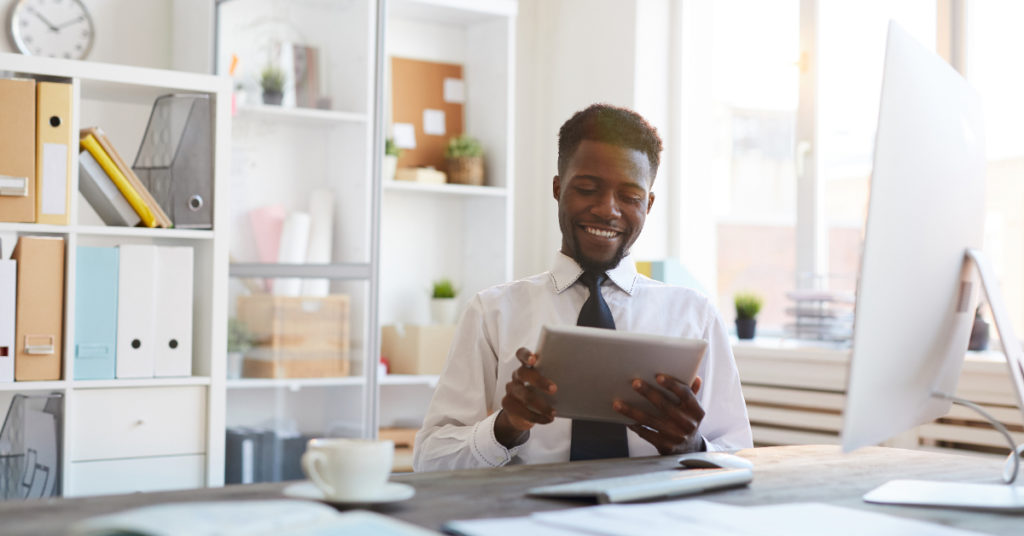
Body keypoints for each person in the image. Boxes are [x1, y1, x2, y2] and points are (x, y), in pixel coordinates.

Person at [413, 104, 752, 472]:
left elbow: (739, 456)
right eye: (588, 189)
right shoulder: (492, 313)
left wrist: (691, 445)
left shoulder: (695, 316)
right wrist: (506, 427)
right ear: (558, 188)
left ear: (649, 204)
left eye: (630, 197)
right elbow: (430, 460)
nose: (608, 210)